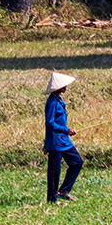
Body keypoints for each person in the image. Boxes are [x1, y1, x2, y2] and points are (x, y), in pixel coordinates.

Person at [44, 72, 84, 203]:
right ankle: (52, 199)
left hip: (64, 140)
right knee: (55, 172)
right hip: (56, 142)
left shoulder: (59, 101)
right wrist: (67, 130)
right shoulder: (51, 102)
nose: (66, 87)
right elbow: (50, 123)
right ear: (58, 87)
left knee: (77, 162)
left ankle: (64, 190)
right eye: (64, 85)